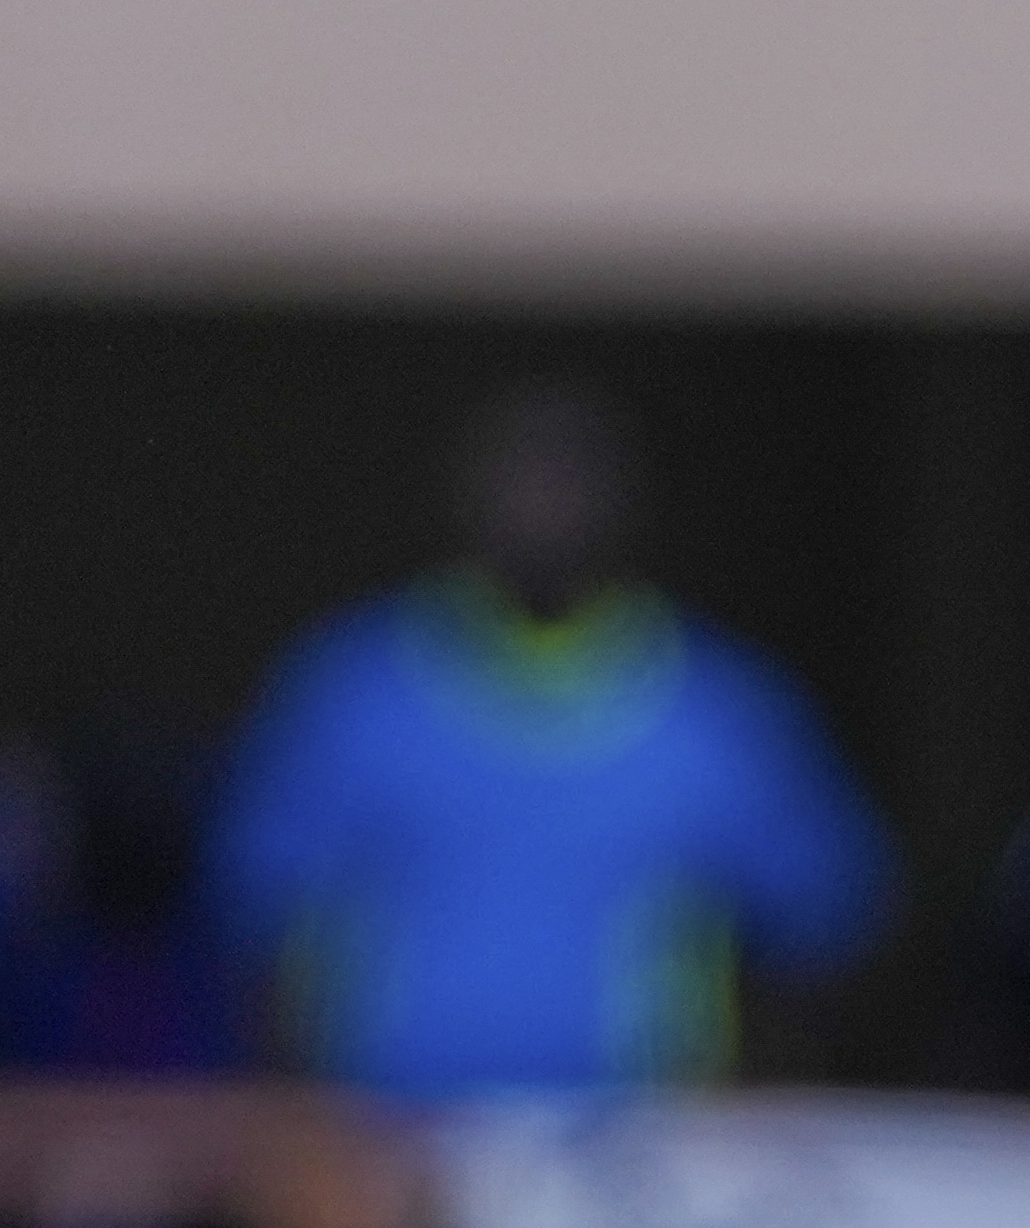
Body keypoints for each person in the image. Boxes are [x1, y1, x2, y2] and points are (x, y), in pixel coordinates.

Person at [211, 386, 892, 1099]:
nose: (544, 504)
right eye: (523, 476)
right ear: (468, 495)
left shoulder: (720, 710)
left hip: (643, 1139)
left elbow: (828, 926)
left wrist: (742, 1099)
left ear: (623, 503)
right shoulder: (353, 691)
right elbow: (256, 928)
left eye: (570, 479)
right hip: (390, 1134)